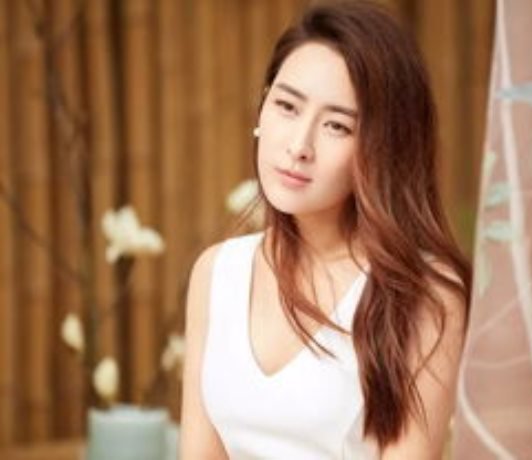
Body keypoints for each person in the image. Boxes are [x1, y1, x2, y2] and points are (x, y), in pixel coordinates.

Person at [179, 1, 472, 458]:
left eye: (337, 125)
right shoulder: (217, 272)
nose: (299, 146)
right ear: (262, 109)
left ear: (382, 148)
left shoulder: (424, 294)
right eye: (287, 106)